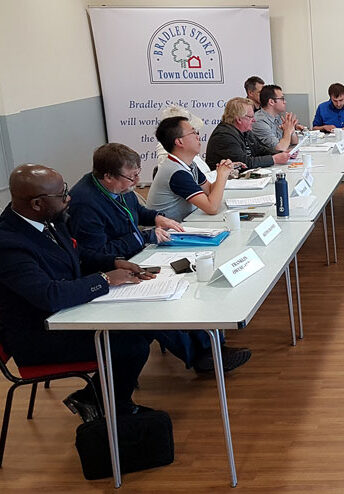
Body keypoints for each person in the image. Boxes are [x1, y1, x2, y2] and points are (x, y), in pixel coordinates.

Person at [68, 143, 252, 373]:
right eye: (131, 177)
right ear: (107, 176)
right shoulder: (85, 203)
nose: (136, 182)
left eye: (137, 174)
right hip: (108, 272)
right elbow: (95, 253)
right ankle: (201, 358)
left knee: (186, 282)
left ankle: (212, 349)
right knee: (157, 302)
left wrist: (156, 218)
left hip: (134, 257)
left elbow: (136, 212)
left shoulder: (119, 188)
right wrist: (143, 236)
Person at [0, 164, 156, 420]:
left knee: (143, 328)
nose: (68, 198)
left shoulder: (46, 218)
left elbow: (76, 255)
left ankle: (92, 399)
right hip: (40, 335)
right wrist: (106, 279)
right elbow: (49, 294)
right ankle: (116, 411)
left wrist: (113, 262)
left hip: (70, 314)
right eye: (61, 195)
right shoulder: (9, 244)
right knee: (131, 345)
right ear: (37, 203)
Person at [147, 116, 234, 221]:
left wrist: (223, 171)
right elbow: (212, 208)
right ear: (179, 142)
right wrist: (222, 175)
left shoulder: (189, 164)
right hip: (167, 233)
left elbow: (209, 191)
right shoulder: (177, 172)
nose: (198, 137)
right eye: (193, 133)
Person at [205, 97, 288, 170]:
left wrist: (281, 153)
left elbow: (260, 149)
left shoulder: (245, 131)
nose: (254, 120)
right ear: (239, 119)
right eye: (251, 117)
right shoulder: (224, 136)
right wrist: (274, 159)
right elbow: (244, 163)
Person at [253, 84, 301, 152]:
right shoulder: (259, 121)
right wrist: (287, 131)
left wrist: (291, 129)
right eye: (282, 99)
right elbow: (280, 148)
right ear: (271, 102)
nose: (285, 102)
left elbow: (294, 142)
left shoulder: (277, 116)